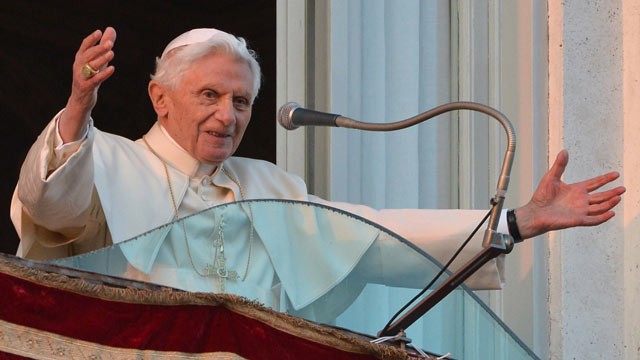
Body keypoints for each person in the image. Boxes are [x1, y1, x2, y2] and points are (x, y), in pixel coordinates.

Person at [10, 27, 625, 318]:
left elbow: (375, 238)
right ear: (159, 97)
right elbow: (51, 206)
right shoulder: (105, 158)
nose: (228, 116)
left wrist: (515, 223)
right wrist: (77, 111)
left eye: (243, 101)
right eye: (209, 96)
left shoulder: (270, 188)